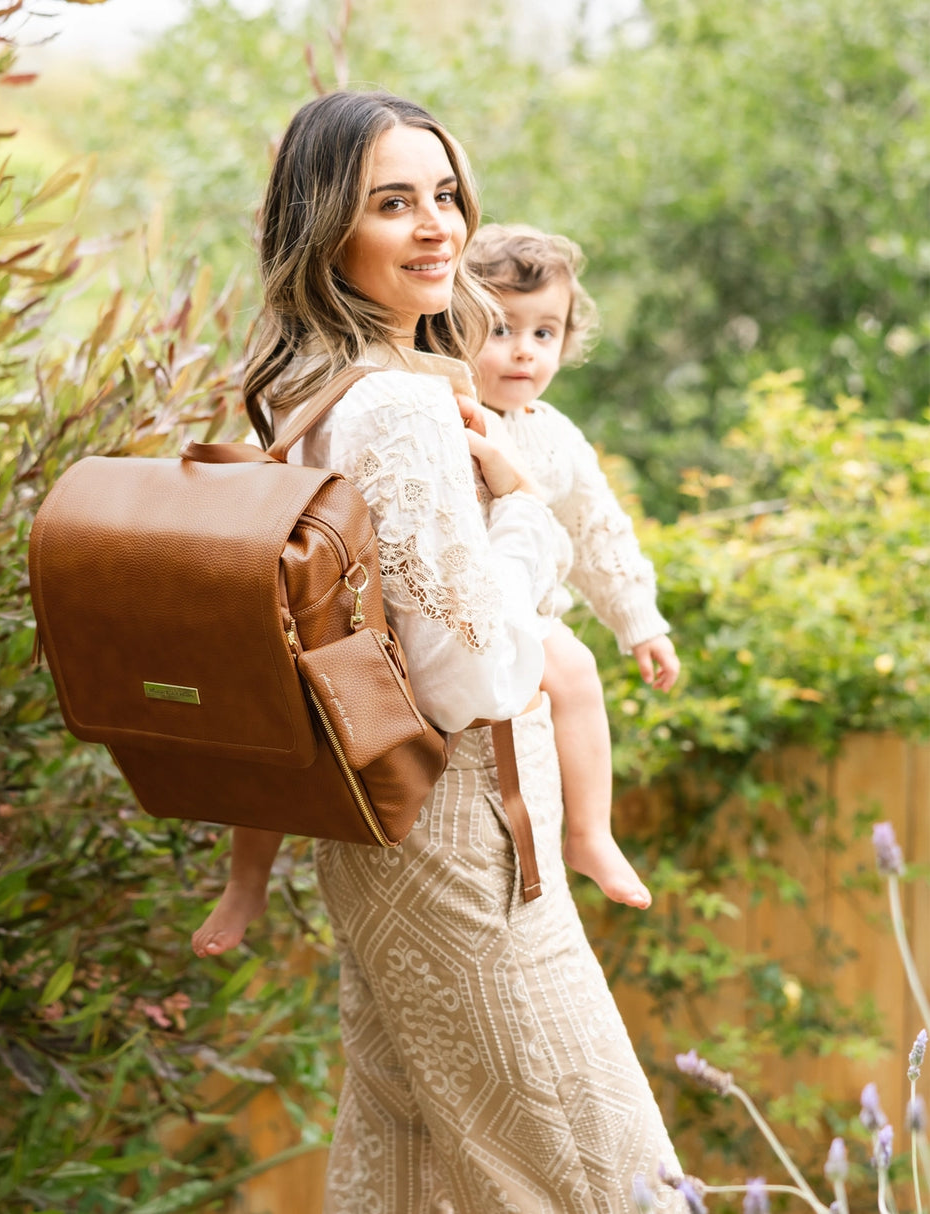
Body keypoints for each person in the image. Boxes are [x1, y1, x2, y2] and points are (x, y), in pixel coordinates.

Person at [196, 89, 686, 1211]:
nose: (437, 227)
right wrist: (523, 512)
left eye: (446, 195)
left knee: (410, 1166)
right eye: (392, 203)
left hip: (371, 840)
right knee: (609, 1176)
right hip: (468, 845)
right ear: (326, 228)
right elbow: (476, 672)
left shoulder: (305, 393)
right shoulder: (405, 409)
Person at [467, 222, 681, 911]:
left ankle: (589, 835)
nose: (523, 351)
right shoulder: (445, 411)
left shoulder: (554, 435)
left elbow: (597, 530)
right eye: (500, 328)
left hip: (525, 616)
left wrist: (641, 623)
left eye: (544, 332)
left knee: (577, 671)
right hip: (454, 610)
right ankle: (249, 877)